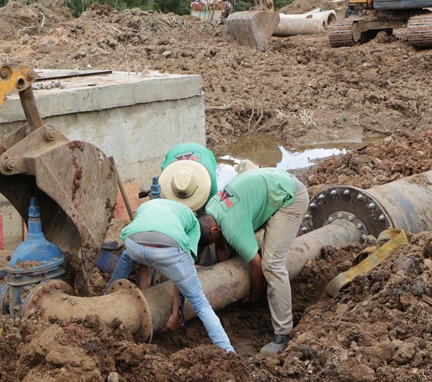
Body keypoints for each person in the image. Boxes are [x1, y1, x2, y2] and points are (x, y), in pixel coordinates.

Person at [198, 167, 309, 354]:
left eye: (213, 240)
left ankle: (283, 334)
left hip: (290, 198)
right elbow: (221, 245)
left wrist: (254, 296)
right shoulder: (211, 209)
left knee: (272, 264)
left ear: (214, 230)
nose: (216, 242)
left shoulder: (232, 227)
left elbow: (256, 265)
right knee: (248, 247)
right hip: (273, 184)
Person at [106, 198, 236, 353]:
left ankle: (106, 296)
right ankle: (227, 351)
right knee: (199, 301)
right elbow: (181, 276)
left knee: (127, 256)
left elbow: (145, 267)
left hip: (133, 242)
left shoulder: (147, 205)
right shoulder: (192, 222)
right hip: (168, 247)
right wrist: (177, 313)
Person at [159, 142, 219, 207]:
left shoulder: (209, 179)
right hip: (173, 152)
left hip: (200, 150)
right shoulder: (165, 176)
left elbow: (212, 204)